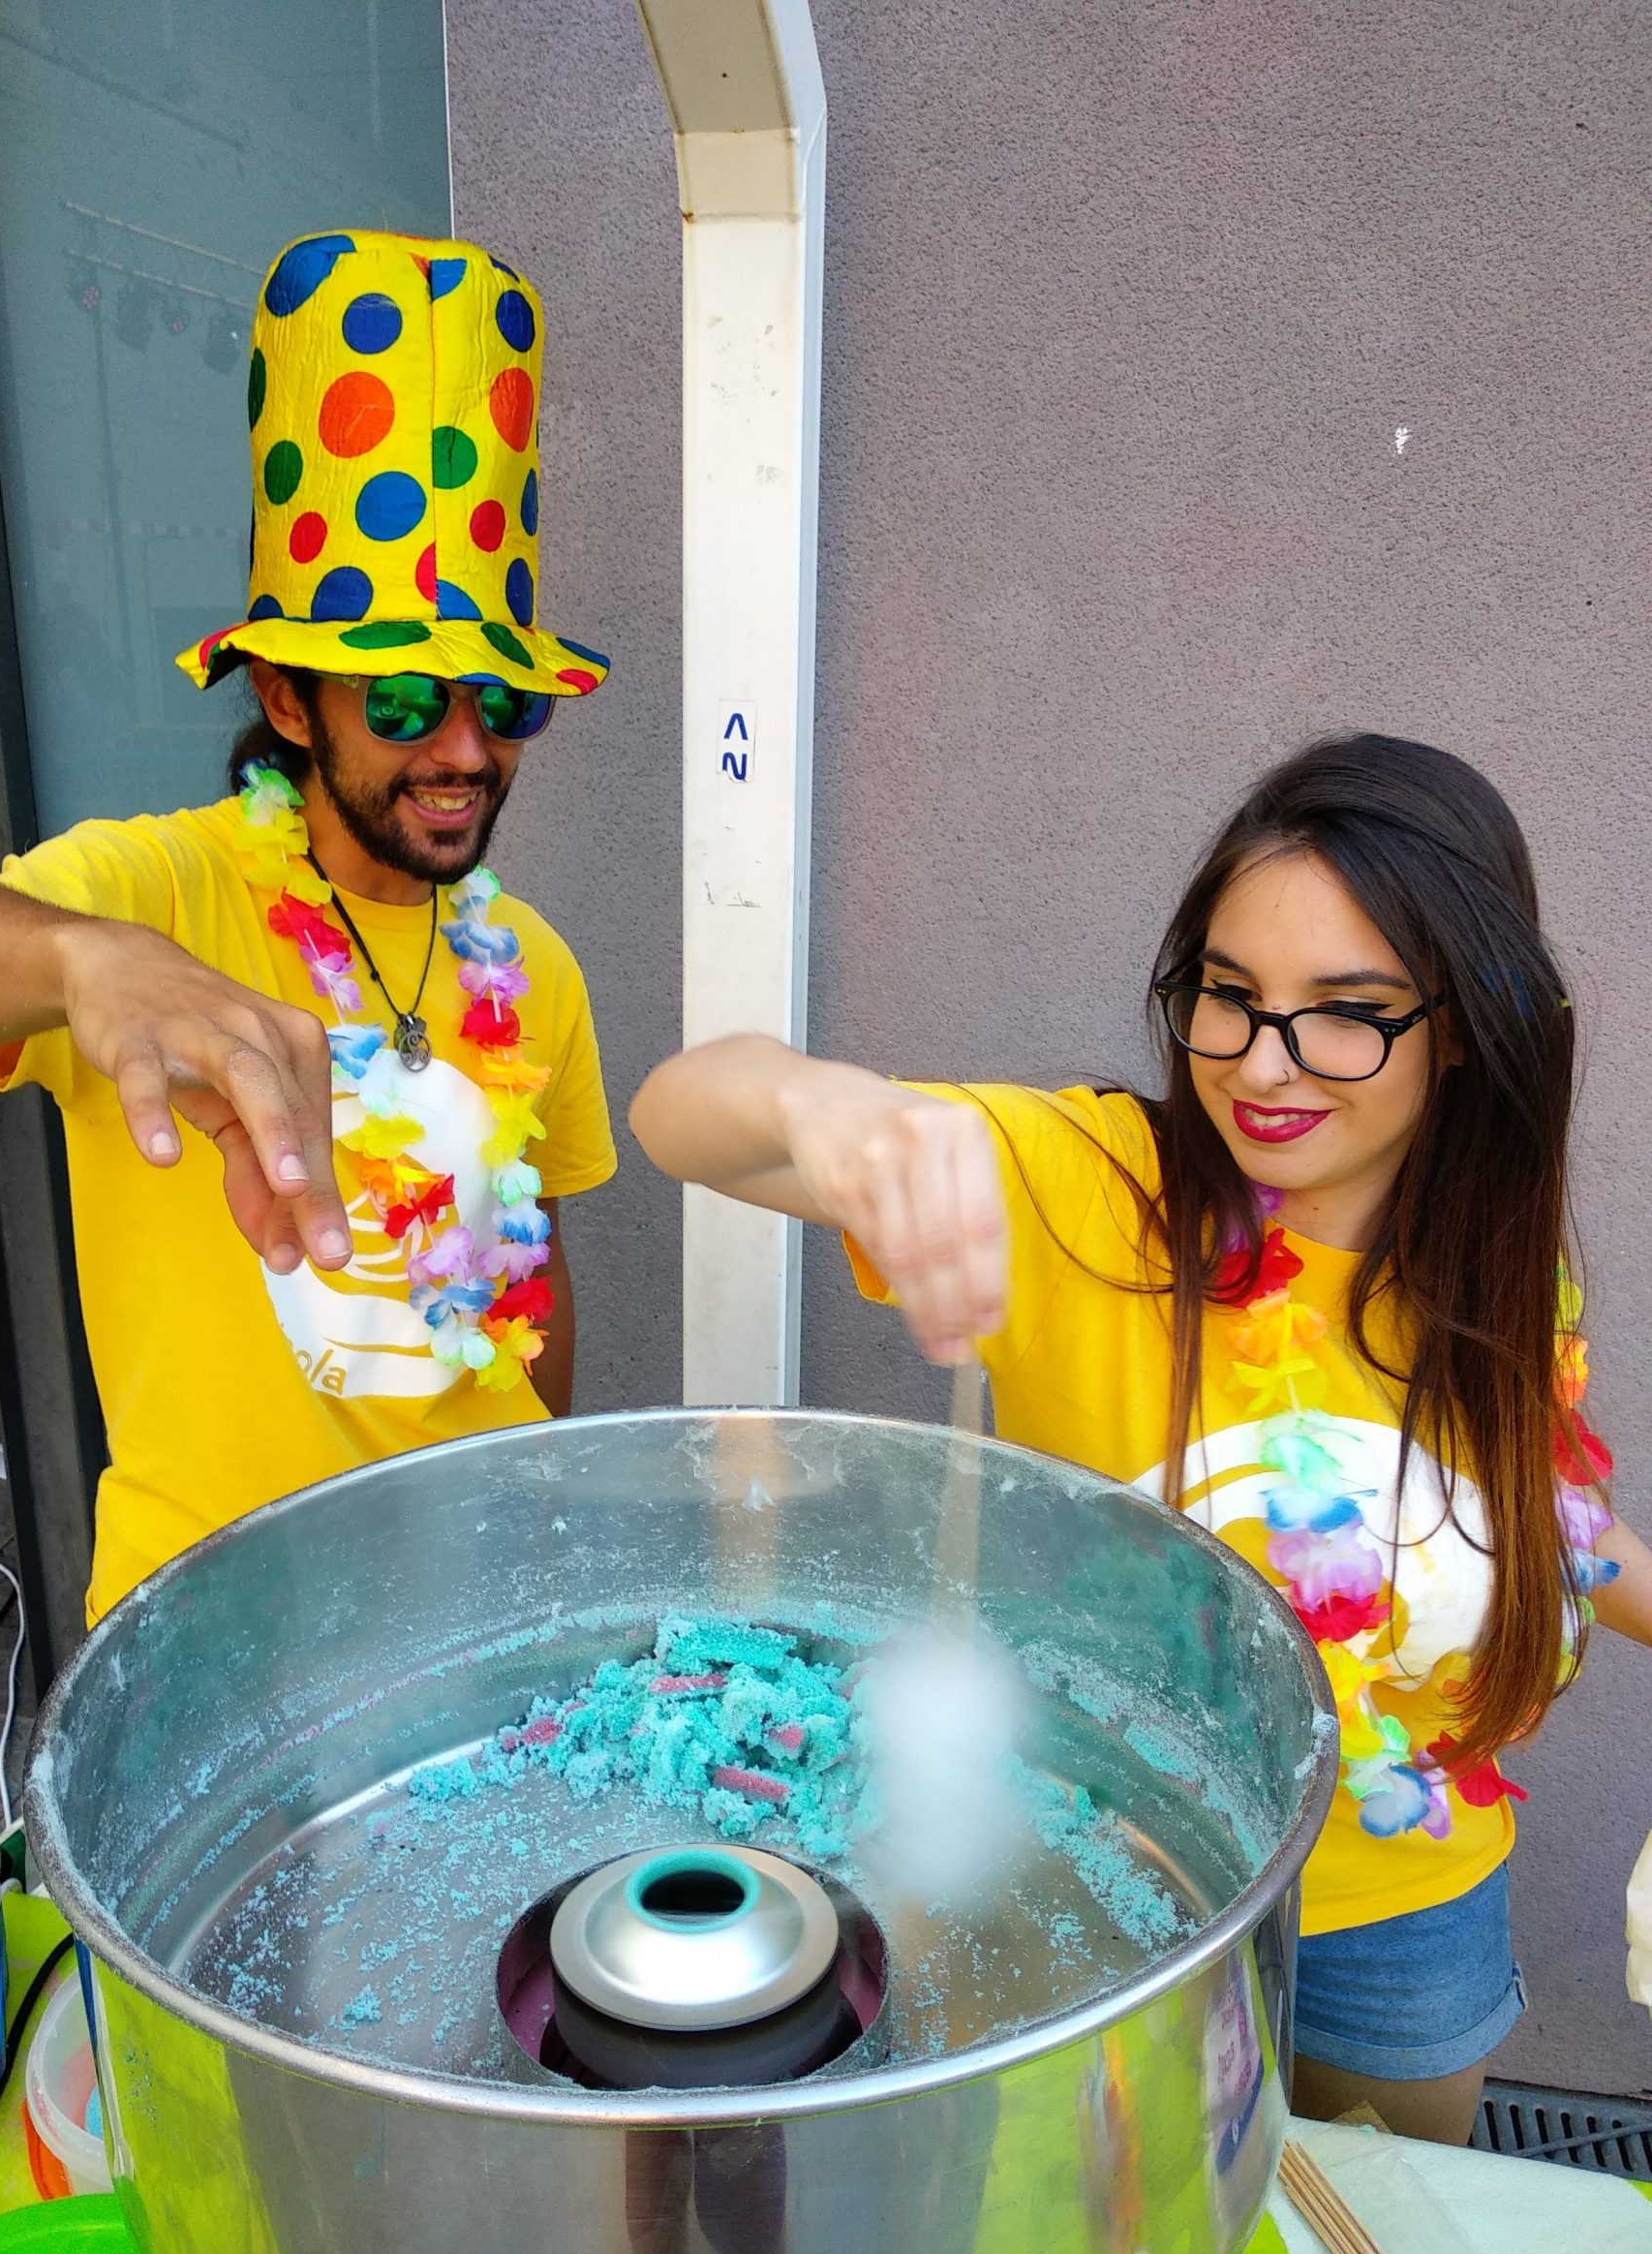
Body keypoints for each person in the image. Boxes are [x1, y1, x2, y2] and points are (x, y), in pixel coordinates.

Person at [631, 733, 1652, 2144]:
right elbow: (686, 1116)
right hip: (1117, 1871)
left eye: (1346, 1012)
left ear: (1466, 1023)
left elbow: (1543, 1519)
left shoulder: (1489, 1270)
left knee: (1392, 2233)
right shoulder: (1091, 1192)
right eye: (1229, 996)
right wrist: (828, 1107)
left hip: (1409, 1903)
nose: (1263, 1064)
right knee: (1115, 2227)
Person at [0, 232, 617, 1622]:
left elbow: (532, 1270)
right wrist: (85, 962)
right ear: (292, 702)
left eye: (505, 703)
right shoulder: (157, 894)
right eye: (406, 701)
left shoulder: (534, 963)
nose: (465, 752)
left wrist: (540, 1508)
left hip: (467, 1604)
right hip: (215, 1610)